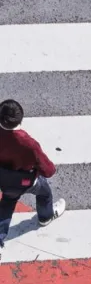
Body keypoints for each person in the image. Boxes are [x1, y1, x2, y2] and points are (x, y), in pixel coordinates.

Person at [0, 100, 65, 248]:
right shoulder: (27, 142)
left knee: (6, 206)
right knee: (44, 193)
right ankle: (45, 216)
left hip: (4, 179)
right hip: (25, 180)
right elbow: (47, 170)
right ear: (20, 120)